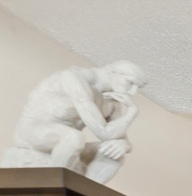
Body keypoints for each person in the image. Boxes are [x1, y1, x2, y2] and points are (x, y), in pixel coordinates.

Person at [1, 61, 148, 183]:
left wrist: (124, 141)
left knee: (112, 154)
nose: (132, 92)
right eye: (131, 82)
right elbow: (105, 133)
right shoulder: (73, 77)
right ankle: (52, 189)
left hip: (67, 141)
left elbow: (121, 140)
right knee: (73, 137)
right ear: (112, 72)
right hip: (32, 131)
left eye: (137, 87)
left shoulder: (112, 101)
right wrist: (131, 114)